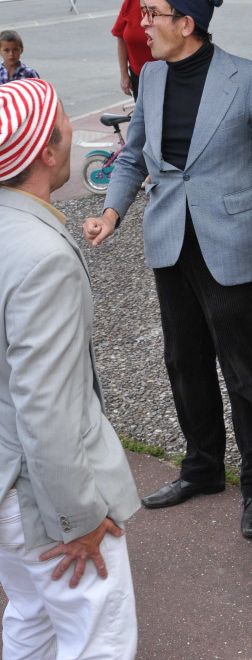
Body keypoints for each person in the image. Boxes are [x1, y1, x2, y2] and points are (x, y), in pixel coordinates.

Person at [82, 0, 252, 538]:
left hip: (228, 241)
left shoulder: (248, 77)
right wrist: (111, 212)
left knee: (240, 367)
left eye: (152, 14)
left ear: (187, 23)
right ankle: (202, 467)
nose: (141, 24)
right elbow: (133, 156)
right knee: (183, 360)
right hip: (169, 239)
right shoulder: (151, 77)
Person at [0, 78, 140, 659]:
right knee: (97, 639)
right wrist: (78, 517)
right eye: (64, 127)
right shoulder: (43, 257)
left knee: (30, 618)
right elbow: (47, 409)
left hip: (7, 484)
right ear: (46, 152)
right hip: (41, 495)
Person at [111, 0, 170, 99]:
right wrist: (124, 74)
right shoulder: (130, 0)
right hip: (138, 75)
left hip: (167, 75)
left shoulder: (171, 1)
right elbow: (121, 39)